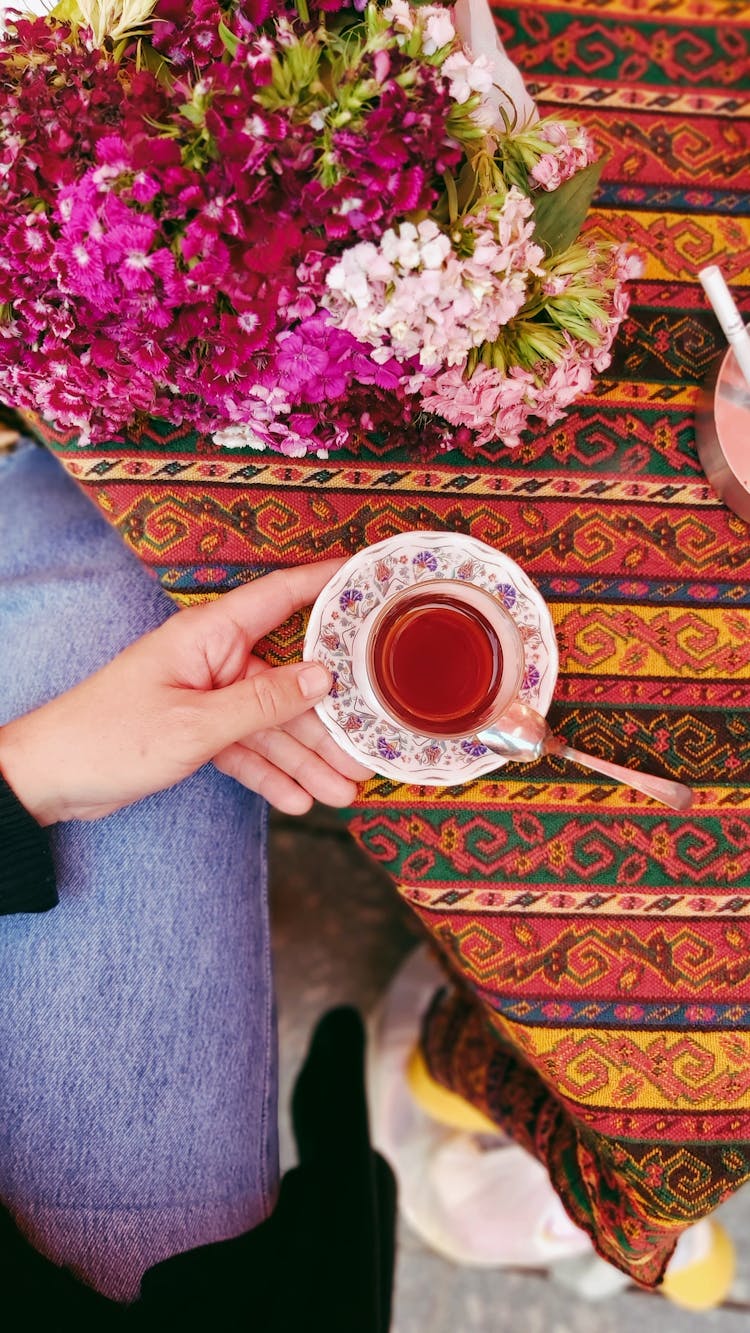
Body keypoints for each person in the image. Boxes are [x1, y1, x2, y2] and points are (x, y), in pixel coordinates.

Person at [0, 431, 372, 1306]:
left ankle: (72, 420)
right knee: (134, 608)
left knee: (120, 625)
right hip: (130, 1281)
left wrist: (28, 778)